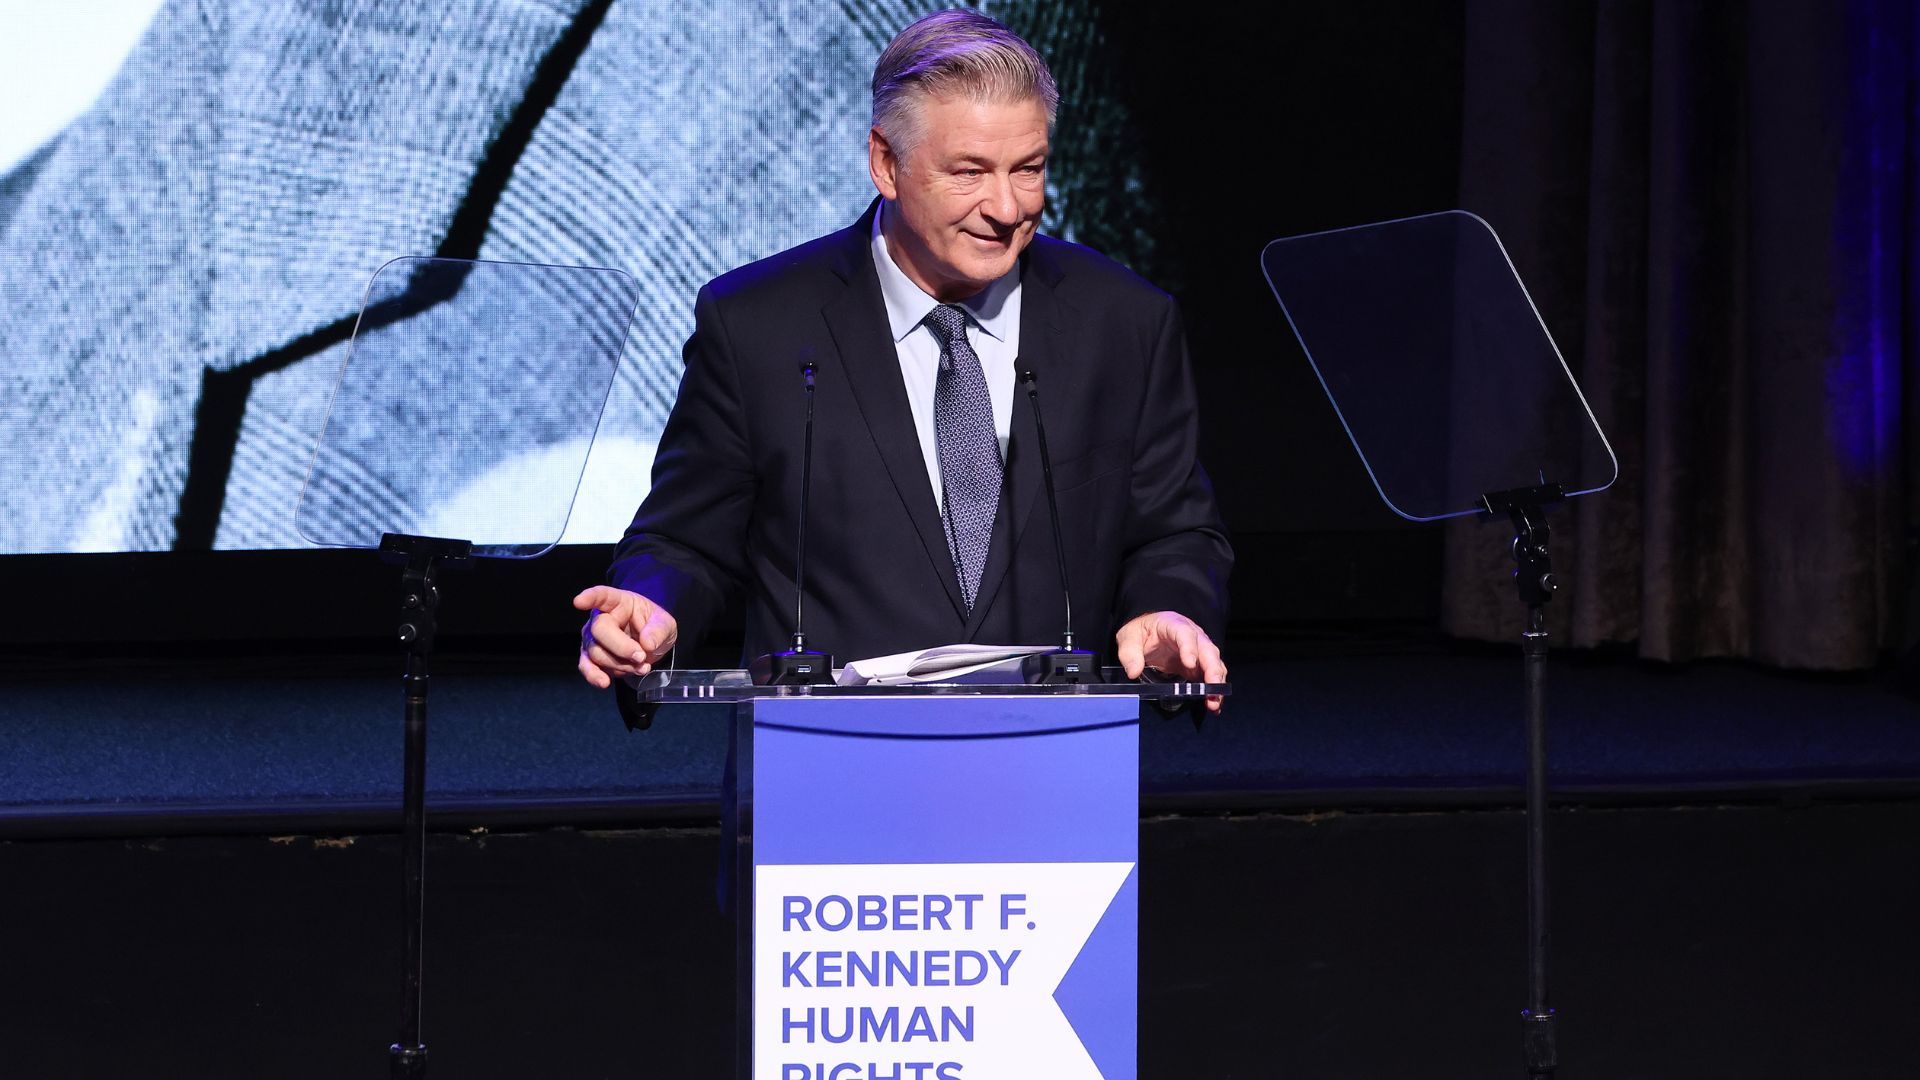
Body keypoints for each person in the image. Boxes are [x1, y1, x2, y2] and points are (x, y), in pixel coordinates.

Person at [574, 9, 1231, 709]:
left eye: (1028, 169)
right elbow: (686, 541)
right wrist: (649, 609)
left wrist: (1171, 610)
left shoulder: (1123, 321)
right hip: (828, 768)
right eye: (970, 172)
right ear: (886, 163)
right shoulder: (757, 323)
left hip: (1056, 763)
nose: (1006, 207)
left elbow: (1175, 532)